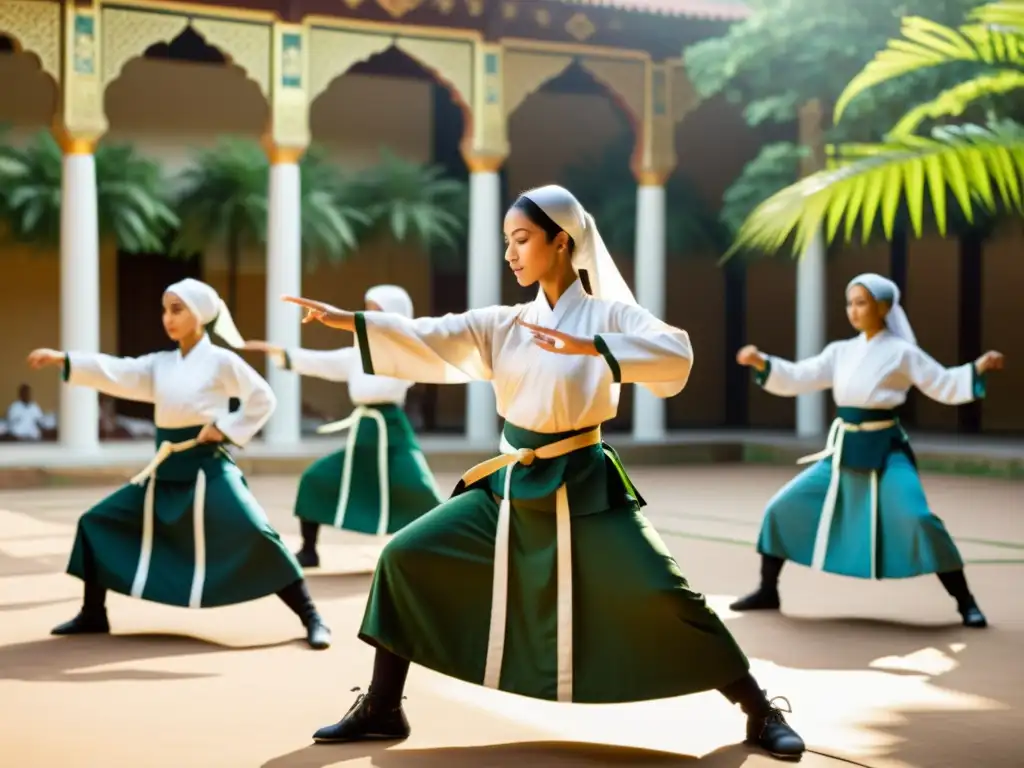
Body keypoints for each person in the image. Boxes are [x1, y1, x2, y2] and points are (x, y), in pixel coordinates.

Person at [282, 185, 806, 760]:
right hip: (509, 482)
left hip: (583, 483)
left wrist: (595, 348)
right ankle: (383, 706)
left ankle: (757, 710)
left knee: (665, 592)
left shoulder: (610, 314)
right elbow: (433, 334)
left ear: (562, 241)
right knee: (405, 556)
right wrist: (352, 323)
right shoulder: (505, 322)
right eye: (507, 241)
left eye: (522, 239)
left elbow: (675, 353)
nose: (510, 253)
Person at [26, 278, 331, 650]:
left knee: (256, 531)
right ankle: (94, 613)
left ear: (199, 315)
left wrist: (225, 427)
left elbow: (262, 397)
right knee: (96, 522)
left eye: (177, 309)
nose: (167, 318)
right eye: (165, 309)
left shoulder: (220, 360)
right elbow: (118, 371)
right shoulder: (162, 364)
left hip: (208, 468)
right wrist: (65, 359)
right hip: (165, 469)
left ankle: (312, 617)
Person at [731, 273, 1004, 629]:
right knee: (781, 507)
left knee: (918, 518)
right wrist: (763, 362)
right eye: (850, 303)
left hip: (885, 447)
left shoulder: (902, 352)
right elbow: (802, 375)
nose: (854, 310)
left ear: (884, 307)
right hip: (842, 449)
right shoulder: (840, 351)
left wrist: (978, 367)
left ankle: (965, 601)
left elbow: (943, 383)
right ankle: (768, 590)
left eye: (862, 303)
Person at [243, 284, 444, 568]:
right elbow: (320, 362)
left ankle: (438, 550)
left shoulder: (407, 353)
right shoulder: (358, 353)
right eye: (368, 309)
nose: (368, 316)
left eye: (376, 311)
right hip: (363, 433)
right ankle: (309, 550)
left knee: (418, 491)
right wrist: (280, 353)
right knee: (316, 478)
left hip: (391, 433)